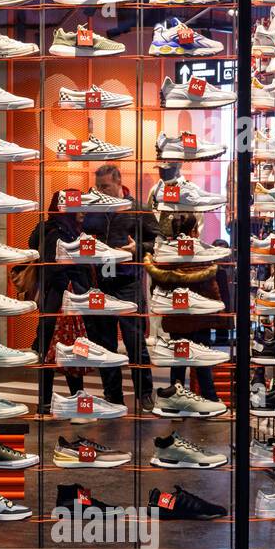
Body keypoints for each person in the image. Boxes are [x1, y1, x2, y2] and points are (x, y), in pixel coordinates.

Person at [81, 164, 159, 410]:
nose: (100, 191)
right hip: (100, 283)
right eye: (98, 187)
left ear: (118, 182)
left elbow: (158, 242)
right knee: (104, 344)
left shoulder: (138, 209)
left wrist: (138, 249)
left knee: (135, 340)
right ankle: (112, 395)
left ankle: (144, 392)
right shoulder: (93, 210)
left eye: (105, 186)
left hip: (128, 282)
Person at [145, 214, 225, 401]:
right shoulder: (201, 253)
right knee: (202, 361)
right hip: (199, 317)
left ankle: (176, 399)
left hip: (175, 318)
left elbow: (156, 288)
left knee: (178, 359)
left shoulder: (166, 254)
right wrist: (219, 314)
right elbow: (211, 288)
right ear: (193, 231)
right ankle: (210, 399)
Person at [21, 203, 88, 407]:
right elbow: (54, 267)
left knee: (50, 348)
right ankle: (74, 398)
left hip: (53, 298)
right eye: (78, 207)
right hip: (60, 299)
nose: (83, 211)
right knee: (65, 347)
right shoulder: (58, 234)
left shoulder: (54, 229)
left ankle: (48, 401)